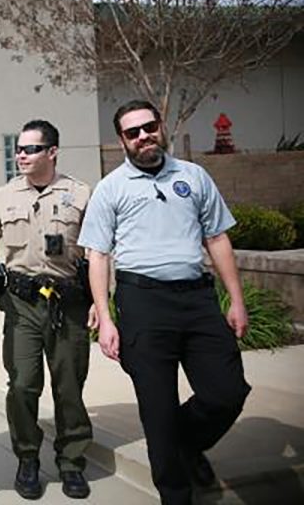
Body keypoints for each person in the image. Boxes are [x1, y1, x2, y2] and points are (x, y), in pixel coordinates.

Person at [78, 100, 250, 505]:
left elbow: (217, 239)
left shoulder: (194, 177)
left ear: (161, 126)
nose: (143, 136)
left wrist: (236, 300)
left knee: (227, 392)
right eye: (132, 132)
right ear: (122, 140)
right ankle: (175, 494)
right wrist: (106, 318)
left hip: (197, 299)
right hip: (143, 304)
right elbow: (98, 256)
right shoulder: (111, 188)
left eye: (149, 127)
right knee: (157, 412)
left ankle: (185, 444)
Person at [0, 119, 93, 500]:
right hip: (22, 305)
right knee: (23, 384)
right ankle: (27, 457)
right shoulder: (3, 196)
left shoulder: (80, 194)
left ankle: (72, 461)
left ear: (52, 152)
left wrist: (102, 306)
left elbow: (98, 252)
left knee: (69, 387)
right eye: (18, 149)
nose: (20, 155)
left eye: (30, 149)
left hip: (68, 305)